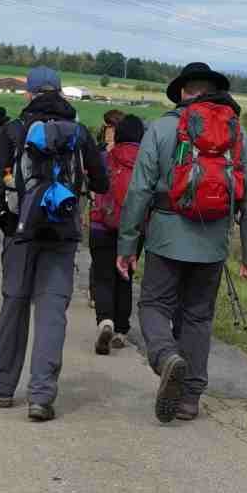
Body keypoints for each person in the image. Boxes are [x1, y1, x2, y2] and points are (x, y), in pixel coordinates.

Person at [116, 61, 247, 423]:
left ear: (183, 91)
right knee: (198, 317)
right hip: (212, 243)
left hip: (166, 237)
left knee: (153, 305)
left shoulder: (163, 127)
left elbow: (138, 190)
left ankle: (166, 356)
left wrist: (127, 247)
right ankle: (189, 399)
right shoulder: (235, 133)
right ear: (214, 90)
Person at [0, 66, 108, 421]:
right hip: (63, 234)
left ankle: (3, 389)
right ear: (61, 93)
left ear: (28, 94)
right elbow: (102, 183)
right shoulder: (79, 133)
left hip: (20, 233)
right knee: (52, 314)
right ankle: (41, 397)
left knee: (14, 306)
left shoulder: (14, 130)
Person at [88, 113, 144, 356]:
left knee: (102, 275)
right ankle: (121, 329)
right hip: (133, 229)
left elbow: (92, 185)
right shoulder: (147, 161)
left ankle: (105, 321)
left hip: (102, 224)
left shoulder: (104, 157)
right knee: (125, 276)